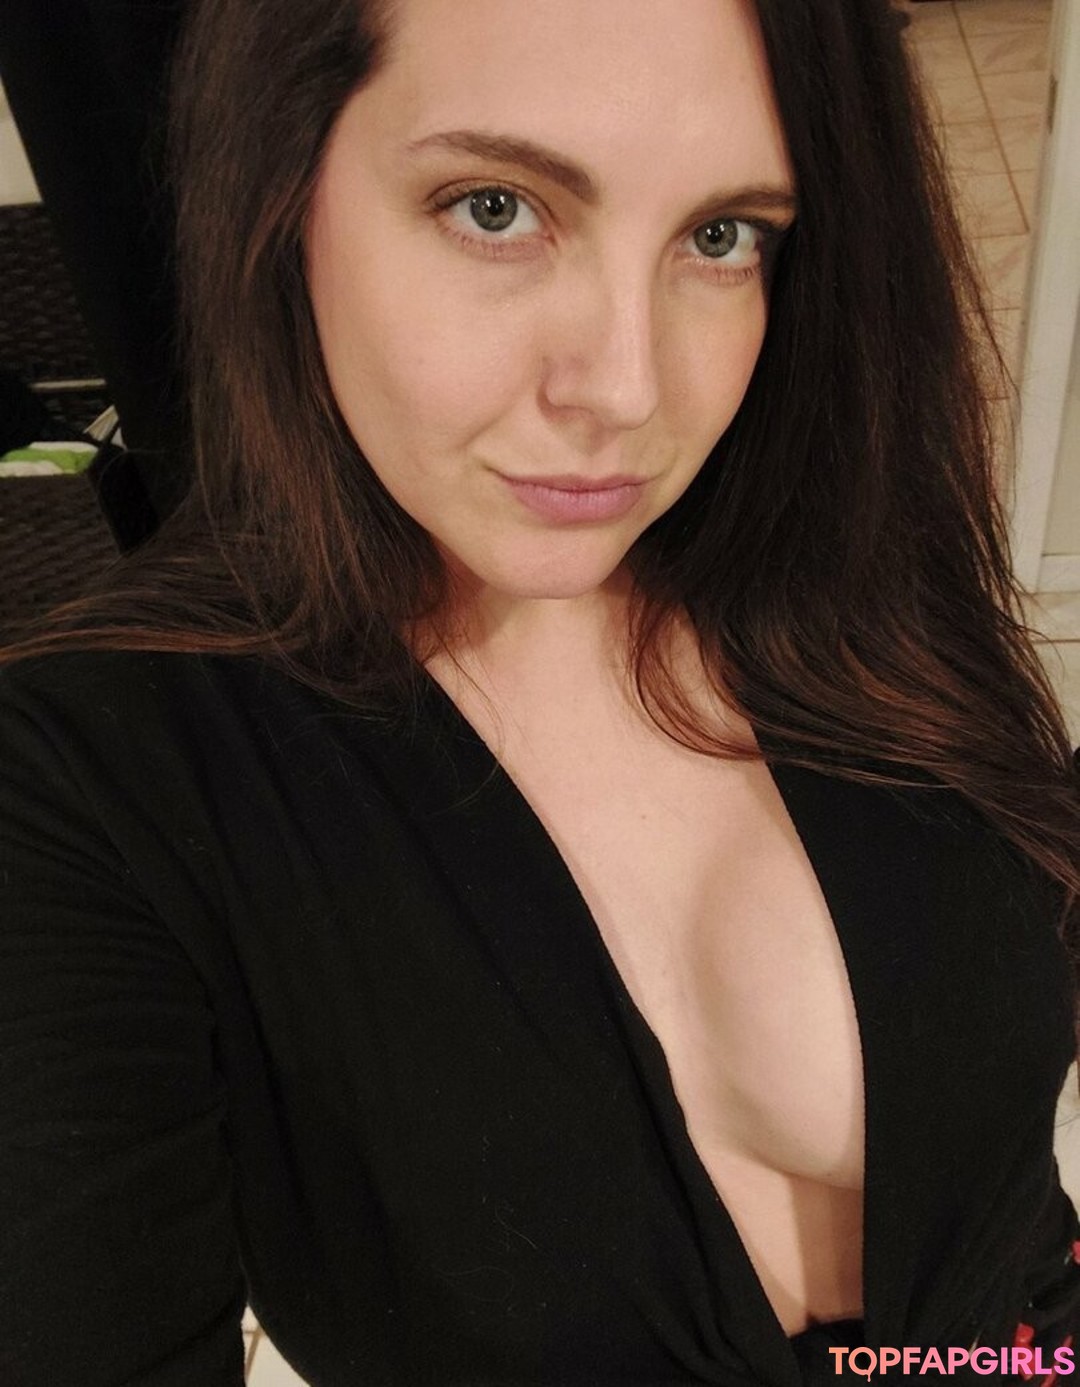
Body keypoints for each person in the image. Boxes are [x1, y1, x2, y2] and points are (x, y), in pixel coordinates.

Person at [2, 0, 1079, 1383]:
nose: (628, 389)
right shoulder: (87, 792)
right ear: (281, 187)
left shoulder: (831, 545)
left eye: (721, 235)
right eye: (496, 208)